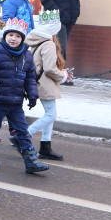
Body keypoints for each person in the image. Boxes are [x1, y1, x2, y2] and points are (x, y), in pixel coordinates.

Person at [0, 18, 48, 173]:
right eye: (10, 35)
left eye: (17, 36)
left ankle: (30, 162)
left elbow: (30, 78)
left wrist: (32, 95)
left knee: (23, 131)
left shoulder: (26, 56)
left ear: (22, 39)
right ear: (5, 36)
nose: (13, 38)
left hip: (16, 102)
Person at [25, 10, 71, 160]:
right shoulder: (49, 44)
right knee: (51, 115)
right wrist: (63, 76)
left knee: (49, 115)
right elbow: (50, 69)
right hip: (46, 83)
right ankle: (24, 136)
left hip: (40, 82)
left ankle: (45, 146)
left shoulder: (37, 41)